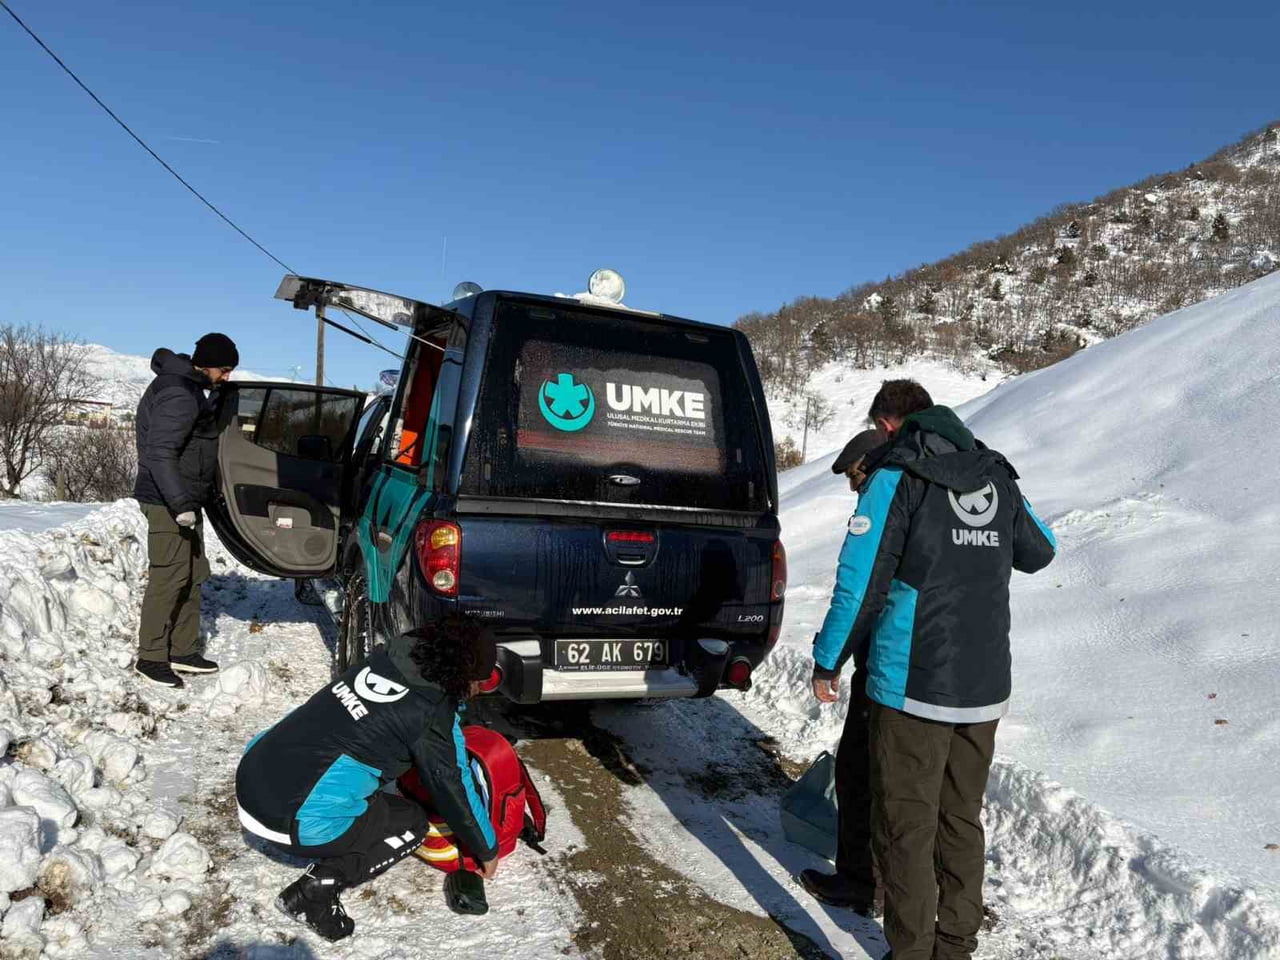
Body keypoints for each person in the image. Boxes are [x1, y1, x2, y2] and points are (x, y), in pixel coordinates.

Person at [809, 379, 1056, 960]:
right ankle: (955, 946)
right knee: (960, 818)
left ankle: (912, 952)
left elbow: (859, 584)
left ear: (890, 427)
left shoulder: (896, 478)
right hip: (985, 685)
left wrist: (827, 660)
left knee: (906, 825)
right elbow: (1040, 550)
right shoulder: (996, 474)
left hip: (913, 684)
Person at [235, 616, 501, 942]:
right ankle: (315, 892)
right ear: (463, 675)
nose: (478, 692)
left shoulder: (389, 656)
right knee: (411, 822)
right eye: (482, 683)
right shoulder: (429, 713)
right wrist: (487, 849)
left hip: (253, 774)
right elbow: (453, 784)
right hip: (287, 820)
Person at [798, 425, 890, 917]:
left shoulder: (883, 506)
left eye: (856, 477)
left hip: (888, 671)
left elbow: (857, 595)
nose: (855, 488)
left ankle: (860, 882)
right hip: (956, 675)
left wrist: (827, 662)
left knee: (859, 773)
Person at [133, 333, 239, 688]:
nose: (226, 377)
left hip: (184, 500)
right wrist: (179, 504)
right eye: (223, 370)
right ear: (206, 363)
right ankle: (150, 657)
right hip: (167, 501)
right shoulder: (179, 393)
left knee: (192, 573)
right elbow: (159, 453)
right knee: (168, 578)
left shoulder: (192, 388)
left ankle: (182, 649)